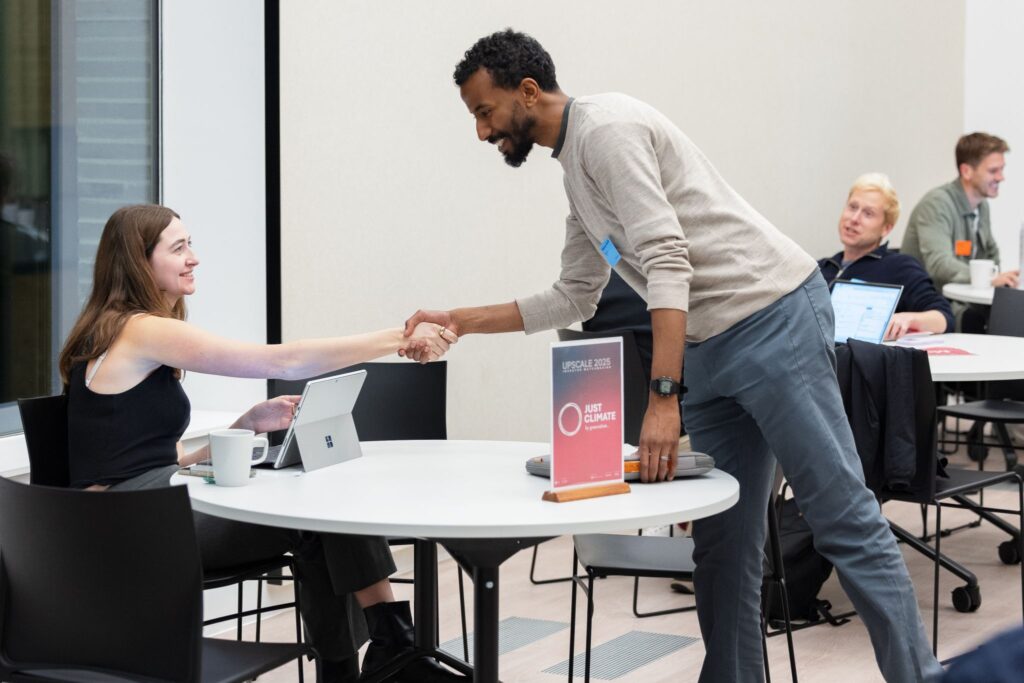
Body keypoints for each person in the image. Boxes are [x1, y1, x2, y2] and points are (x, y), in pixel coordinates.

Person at [404, 29, 941, 682]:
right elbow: (575, 294)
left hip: (771, 319)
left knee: (842, 520)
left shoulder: (607, 131)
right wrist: (459, 321)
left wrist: (663, 397)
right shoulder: (576, 172)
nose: (482, 132)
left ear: (528, 91)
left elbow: (666, 258)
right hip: (708, 350)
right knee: (723, 548)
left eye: (485, 111)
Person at [58, 204, 464, 683]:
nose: (194, 258)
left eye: (190, 244)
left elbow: (165, 460)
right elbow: (285, 361)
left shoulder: (119, 330)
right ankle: (390, 653)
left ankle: (386, 650)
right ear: (139, 262)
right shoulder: (142, 329)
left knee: (318, 510)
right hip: (128, 527)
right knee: (317, 509)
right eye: (179, 248)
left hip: (147, 506)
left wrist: (246, 425)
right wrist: (399, 336)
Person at [901, 133, 1018, 331]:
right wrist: (988, 279)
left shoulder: (981, 206)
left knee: (1011, 310)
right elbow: (939, 265)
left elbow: (991, 254)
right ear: (966, 171)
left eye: (1002, 169)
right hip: (932, 305)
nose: (1001, 177)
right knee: (983, 321)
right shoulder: (937, 204)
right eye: (993, 171)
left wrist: (1002, 278)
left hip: (963, 300)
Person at [818, 173, 954, 338]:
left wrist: (908, 319)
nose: (854, 219)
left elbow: (944, 318)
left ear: (886, 228)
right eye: (852, 207)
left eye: (868, 213)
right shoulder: (820, 268)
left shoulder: (899, 267)